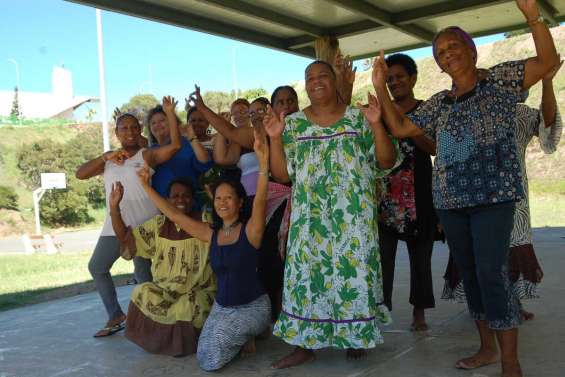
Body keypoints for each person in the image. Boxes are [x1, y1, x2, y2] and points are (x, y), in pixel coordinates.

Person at [371, 1, 558, 375]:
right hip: (451, 202)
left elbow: (547, 62)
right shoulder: (441, 103)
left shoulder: (501, 81)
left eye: (453, 46)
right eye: (440, 52)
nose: (447, 54)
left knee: (492, 273)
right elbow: (404, 127)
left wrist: (533, 17)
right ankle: (486, 348)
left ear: (471, 50)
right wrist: (379, 87)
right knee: (470, 275)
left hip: (494, 198)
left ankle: (510, 361)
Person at [265, 60, 401, 368]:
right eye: (309, 77)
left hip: (353, 220)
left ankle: (354, 336)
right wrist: (274, 138)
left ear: (336, 80)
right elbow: (282, 175)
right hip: (309, 221)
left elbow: (385, 160)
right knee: (306, 280)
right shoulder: (294, 125)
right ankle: (303, 345)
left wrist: (378, 124)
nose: (315, 81)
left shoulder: (359, 117)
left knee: (352, 277)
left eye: (322, 75)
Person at [137, 128, 271, 371]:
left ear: (240, 203)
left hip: (252, 306)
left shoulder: (251, 231)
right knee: (204, 356)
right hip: (222, 307)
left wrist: (263, 163)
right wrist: (146, 186)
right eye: (218, 198)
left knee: (213, 361)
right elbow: (174, 214)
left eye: (229, 198)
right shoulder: (212, 234)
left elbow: (261, 200)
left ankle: (254, 329)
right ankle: (243, 336)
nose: (222, 203)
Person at [442, 60, 563, 319]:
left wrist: (547, 82)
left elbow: (548, 125)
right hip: (470, 194)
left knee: (511, 252)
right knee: (479, 255)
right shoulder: (465, 111)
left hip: (512, 196)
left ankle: (508, 306)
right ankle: (486, 309)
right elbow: (452, 154)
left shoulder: (521, 114)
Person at [76, 96, 183, 337]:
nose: (130, 131)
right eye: (124, 128)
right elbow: (80, 174)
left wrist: (169, 114)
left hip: (146, 226)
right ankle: (115, 315)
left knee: (144, 277)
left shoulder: (146, 155)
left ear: (140, 130)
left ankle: (153, 323)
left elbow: (175, 146)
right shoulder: (108, 160)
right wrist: (106, 157)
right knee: (97, 266)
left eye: (134, 127)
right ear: (116, 132)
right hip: (115, 226)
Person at [109, 178, 216, 356]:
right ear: (166, 200)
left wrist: (214, 199)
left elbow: (226, 225)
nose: (180, 200)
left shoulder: (204, 220)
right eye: (175, 196)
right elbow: (126, 239)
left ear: (193, 199)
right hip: (166, 291)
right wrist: (114, 208)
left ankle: (183, 346)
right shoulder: (158, 225)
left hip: (197, 291)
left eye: (186, 196)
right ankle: (162, 343)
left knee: (186, 306)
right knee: (141, 291)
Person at [377, 53, 439, 331]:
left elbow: (434, 148)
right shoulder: (379, 112)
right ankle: (380, 312)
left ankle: (419, 312)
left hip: (419, 195)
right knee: (381, 260)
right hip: (386, 196)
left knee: (420, 259)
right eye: (389, 79)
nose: (394, 83)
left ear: (413, 78)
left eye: (400, 77)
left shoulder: (427, 109)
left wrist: (406, 124)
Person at [146, 104, 213, 198]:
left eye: (162, 120)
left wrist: (191, 137)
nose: (158, 125)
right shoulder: (150, 150)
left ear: (173, 122)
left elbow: (205, 162)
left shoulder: (186, 142)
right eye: (153, 123)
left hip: (188, 205)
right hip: (161, 207)